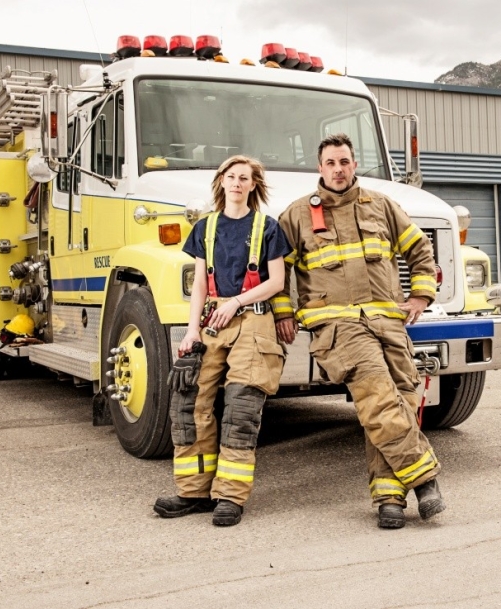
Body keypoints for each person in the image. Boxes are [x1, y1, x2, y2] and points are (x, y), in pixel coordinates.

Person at [273, 133, 445, 529]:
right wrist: (283, 313)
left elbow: (420, 250)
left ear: (354, 165)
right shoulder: (297, 215)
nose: (338, 169)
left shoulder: (382, 206)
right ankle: (425, 480)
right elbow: (277, 273)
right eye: (330, 162)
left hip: (388, 323)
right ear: (320, 168)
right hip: (338, 327)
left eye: (345, 162)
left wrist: (420, 296)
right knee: (380, 398)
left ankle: (389, 498)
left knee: (399, 399)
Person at [154, 155, 292, 526]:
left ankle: (230, 496)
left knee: (241, 409)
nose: (236, 183)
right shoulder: (205, 227)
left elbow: (277, 281)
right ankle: (194, 492)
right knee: (189, 401)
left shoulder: (268, 227)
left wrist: (236, 302)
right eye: (231, 176)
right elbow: (199, 284)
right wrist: (192, 332)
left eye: (244, 178)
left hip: (253, 320)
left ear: (253, 185)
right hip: (211, 320)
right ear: (221, 182)